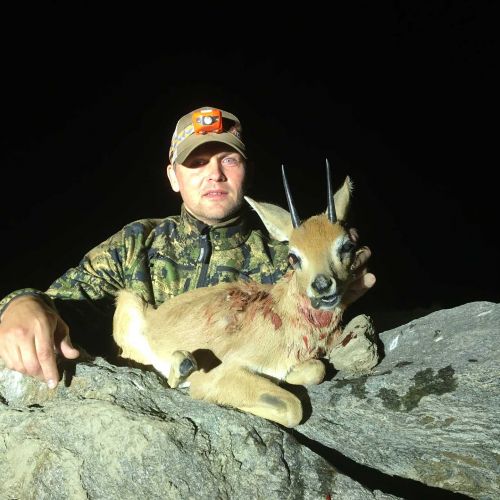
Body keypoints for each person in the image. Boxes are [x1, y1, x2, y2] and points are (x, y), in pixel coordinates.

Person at [0, 106, 376, 389]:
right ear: (173, 177)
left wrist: (335, 277)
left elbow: (309, 331)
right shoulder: (137, 243)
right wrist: (20, 304)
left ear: (246, 171)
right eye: (196, 162)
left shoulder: (286, 262)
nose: (214, 173)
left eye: (229, 159)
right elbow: (64, 302)